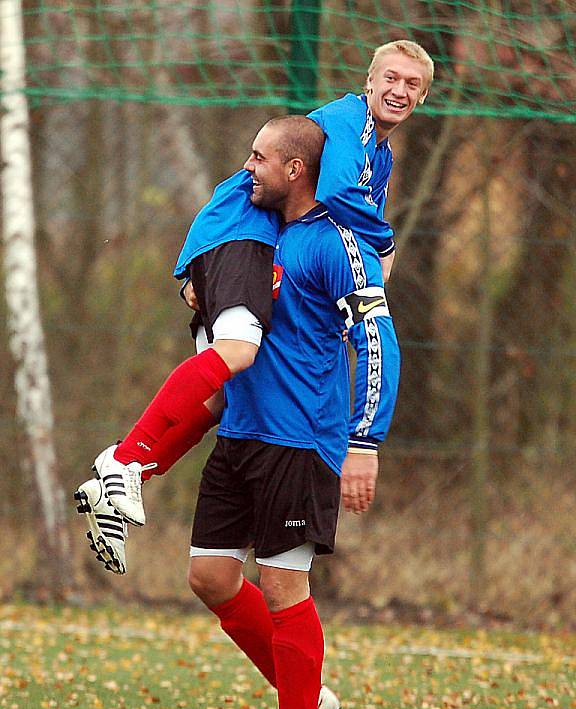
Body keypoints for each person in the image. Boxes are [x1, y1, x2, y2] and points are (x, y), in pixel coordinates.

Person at [75, 40, 434, 531]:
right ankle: (121, 462)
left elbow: (337, 214)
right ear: (368, 81)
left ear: (425, 96)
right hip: (240, 233)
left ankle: (129, 472)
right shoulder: (352, 121)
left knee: (220, 396)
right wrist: (385, 245)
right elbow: (333, 193)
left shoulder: (382, 154)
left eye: (412, 84)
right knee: (240, 352)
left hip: (247, 243)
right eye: (390, 78)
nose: (398, 90)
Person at [185, 114, 399, 709]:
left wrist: (366, 441)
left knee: (284, 588)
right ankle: (306, 701)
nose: (246, 169)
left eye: (258, 158)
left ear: (295, 170)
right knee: (211, 577)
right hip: (242, 431)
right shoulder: (258, 231)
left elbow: (377, 342)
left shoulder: (337, 244)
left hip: (301, 437)